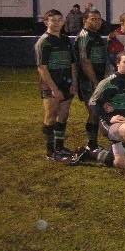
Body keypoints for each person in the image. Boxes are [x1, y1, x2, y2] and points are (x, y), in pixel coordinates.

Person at [35, 9, 77, 162]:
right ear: (47, 22)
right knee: (51, 116)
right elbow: (42, 68)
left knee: (64, 115)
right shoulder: (43, 41)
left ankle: (59, 147)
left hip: (67, 83)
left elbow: (72, 63)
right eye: (54, 20)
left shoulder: (66, 39)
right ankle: (50, 151)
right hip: (51, 86)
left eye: (60, 19)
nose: (58, 22)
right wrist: (54, 88)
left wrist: (74, 82)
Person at [74, 9, 107, 156]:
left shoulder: (96, 36)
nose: (97, 21)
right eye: (93, 19)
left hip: (98, 80)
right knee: (93, 111)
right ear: (85, 21)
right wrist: (95, 81)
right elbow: (84, 61)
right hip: (89, 82)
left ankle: (94, 143)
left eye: (99, 19)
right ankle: (91, 144)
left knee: (97, 111)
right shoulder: (84, 36)